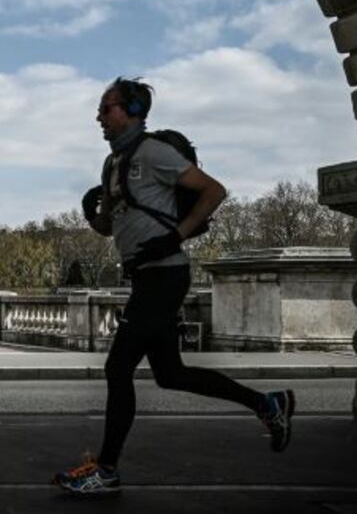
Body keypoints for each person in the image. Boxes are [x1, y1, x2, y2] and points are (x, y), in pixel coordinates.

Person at [54, 77, 294, 497]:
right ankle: (266, 404)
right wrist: (90, 211)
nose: (98, 116)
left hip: (166, 273)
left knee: (117, 368)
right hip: (147, 276)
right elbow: (109, 228)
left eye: (106, 108)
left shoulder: (155, 152)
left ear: (132, 110)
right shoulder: (111, 165)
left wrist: (177, 235)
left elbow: (214, 191)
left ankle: (106, 471)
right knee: (171, 374)